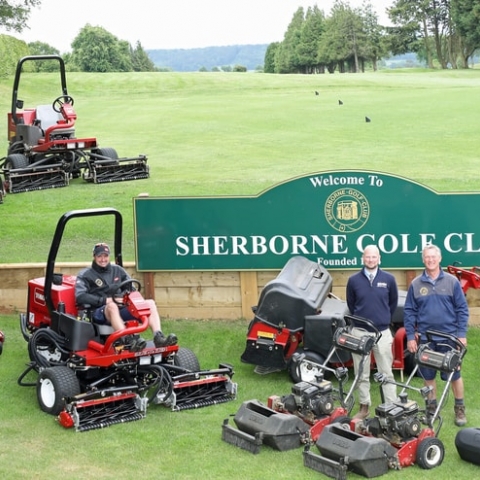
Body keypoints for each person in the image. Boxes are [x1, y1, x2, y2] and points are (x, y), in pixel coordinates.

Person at [404, 244, 469, 426]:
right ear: (423, 259)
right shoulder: (416, 284)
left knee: (454, 375)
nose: (430, 260)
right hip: (426, 339)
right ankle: (432, 408)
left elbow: (462, 309)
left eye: (433, 257)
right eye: (427, 257)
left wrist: (461, 334)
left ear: (439, 259)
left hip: (449, 338)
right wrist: (410, 336)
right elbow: (409, 311)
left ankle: (459, 409)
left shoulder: (451, 282)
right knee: (428, 376)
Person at [75, 242, 177, 352]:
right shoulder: (86, 274)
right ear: (94, 256)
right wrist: (104, 300)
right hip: (98, 311)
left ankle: (158, 337)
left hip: (120, 307)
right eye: (99, 256)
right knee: (111, 306)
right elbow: (80, 296)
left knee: (150, 303)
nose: (103, 259)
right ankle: (128, 340)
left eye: (105, 256)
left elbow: (131, 289)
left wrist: (125, 299)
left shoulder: (118, 270)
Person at [346, 244, 399, 419]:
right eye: (368, 257)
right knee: (361, 372)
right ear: (363, 258)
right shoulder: (353, 280)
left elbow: (392, 303)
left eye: (374, 257)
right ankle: (364, 407)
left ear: (379, 258)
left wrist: (381, 318)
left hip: (382, 333)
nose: (371, 260)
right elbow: (351, 305)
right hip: (359, 333)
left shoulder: (389, 279)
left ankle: (391, 408)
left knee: (386, 372)